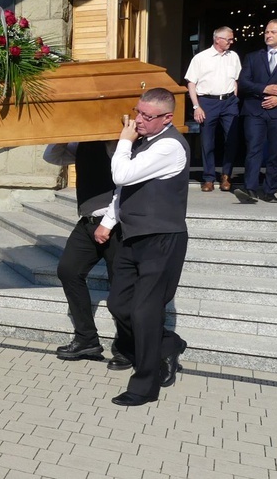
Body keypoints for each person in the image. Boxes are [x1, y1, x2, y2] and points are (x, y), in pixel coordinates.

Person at [107, 88, 189, 407]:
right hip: (133, 236)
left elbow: (122, 174)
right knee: (119, 304)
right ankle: (168, 344)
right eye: (138, 112)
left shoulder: (169, 146)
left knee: (144, 311)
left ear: (167, 118)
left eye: (147, 116)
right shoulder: (147, 139)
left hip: (162, 238)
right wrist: (110, 221)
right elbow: (122, 190)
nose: (138, 120)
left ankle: (145, 385)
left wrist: (124, 141)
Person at [43, 142, 131, 371]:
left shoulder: (118, 144)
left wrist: (109, 222)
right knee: (69, 270)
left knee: (121, 287)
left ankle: (127, 346)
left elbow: (124, 186)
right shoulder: (82, 142)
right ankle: (87, 340)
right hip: (88, 223)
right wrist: (62, 134)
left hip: (117, 225)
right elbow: (53, 157)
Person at [184, 26, 241, 192]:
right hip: (207, 101)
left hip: (229, 101)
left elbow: (236, 79)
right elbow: (191, 83)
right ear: (217, 39)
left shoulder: (234, 57)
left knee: (231, 139)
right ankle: (208, 177)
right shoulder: (201, 58)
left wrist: (235, 98)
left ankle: (226, 176)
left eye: (232, 39)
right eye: (228, 39)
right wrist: (196, 106)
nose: (232, 42)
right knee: (207, 141)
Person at [235, 19, 277, 203]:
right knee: (253, 150)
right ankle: (250, 188)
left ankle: (270, 189)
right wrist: (265, 89)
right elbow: (244, 83)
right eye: (266, 32)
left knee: (275, 152)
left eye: (273, 32)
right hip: (254, 110)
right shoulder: (253, 57)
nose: (268, 35)